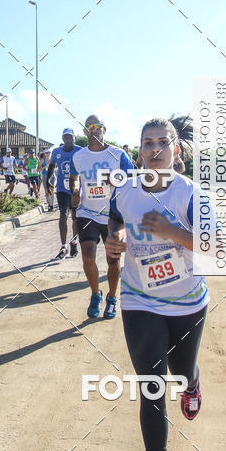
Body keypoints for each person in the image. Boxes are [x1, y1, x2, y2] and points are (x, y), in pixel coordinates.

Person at [105, 115, 208, 451]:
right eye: (147, 143)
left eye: (161, 143)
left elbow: (214, 248)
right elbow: (115, 217)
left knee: (181, 372)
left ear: (175, 149)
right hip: (139, 299)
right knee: (152, 383)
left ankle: (193, 383)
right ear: (140, 150)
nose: (154, 150)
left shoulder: (190, 194)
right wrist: (114, 240)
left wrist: (169, 231)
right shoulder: (126, 189)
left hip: (187, 302)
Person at [69, 115, 133, 319]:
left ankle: (112, 298)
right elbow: (74, 178)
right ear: (85, 132)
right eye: (89, 127)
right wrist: (76, 190)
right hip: (87, 212)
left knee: (112, 261)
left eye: (97, 126)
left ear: (104, 129)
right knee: (87, 257)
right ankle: (95, 294)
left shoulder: (118, 154)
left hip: (113, 215)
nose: (94, 129)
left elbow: (132, 181)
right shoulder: (78, 156)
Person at [47, 128, 82, 259]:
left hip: (76, 190)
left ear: (74, 138)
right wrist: (48, 183)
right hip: (62, 189)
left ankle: (74, 242)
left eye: (70, 137)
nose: (68, 139)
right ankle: (63, 246)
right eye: (65, 137)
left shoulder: (80, 151)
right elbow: (51, 166)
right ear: (62, 139)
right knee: (63, 216)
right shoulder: (57, 151)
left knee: (75, 218)